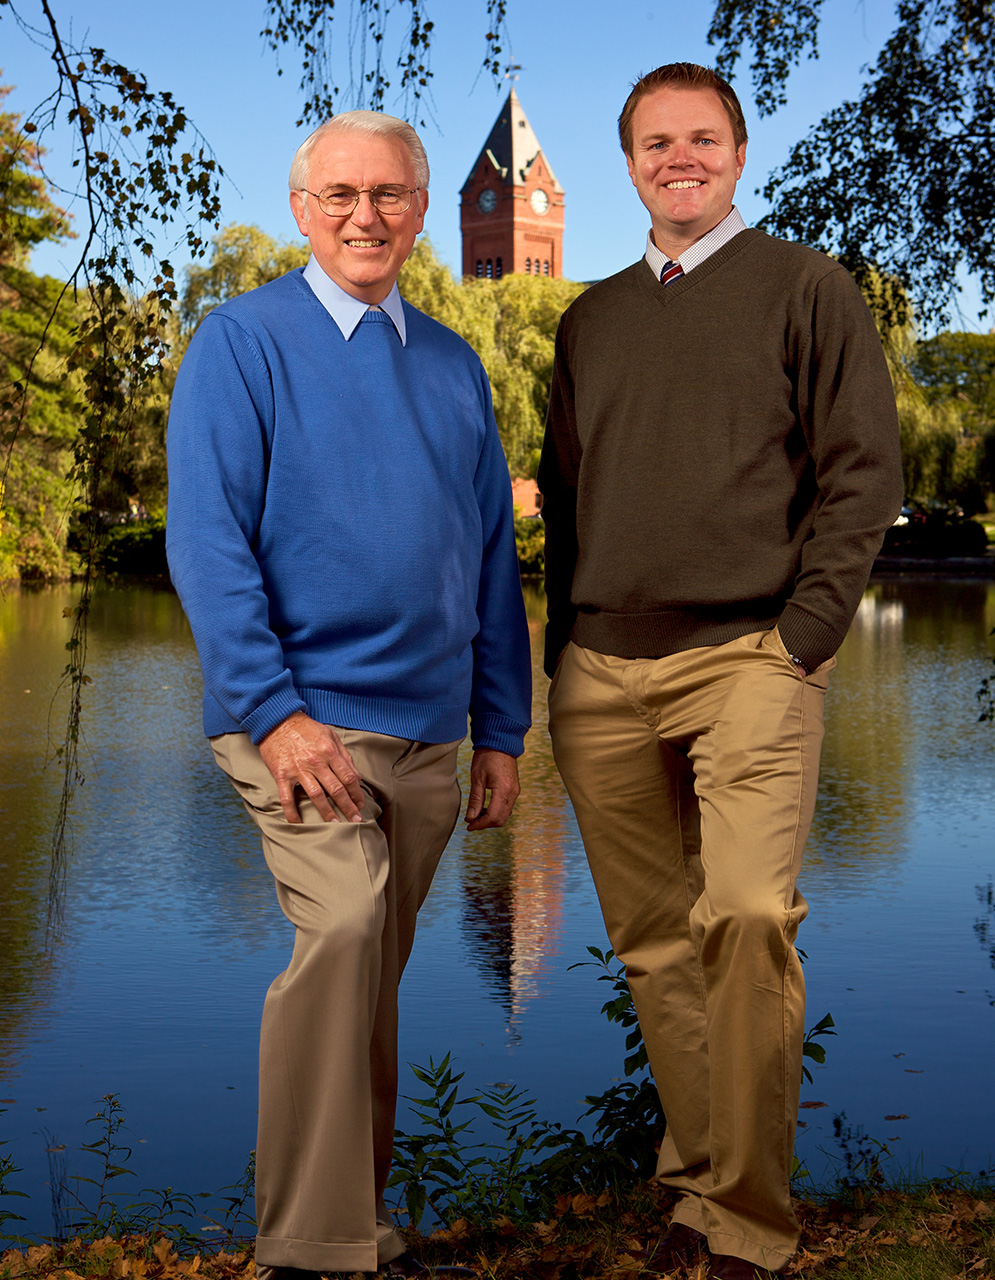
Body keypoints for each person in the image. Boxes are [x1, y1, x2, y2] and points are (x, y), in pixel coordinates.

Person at [538, 63, 903, 1280]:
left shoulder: (806, 287)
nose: (676, 158)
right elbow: (573, 498)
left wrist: (801, 637)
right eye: (653, 142)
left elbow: (862, 476)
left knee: (743, 916)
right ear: (628, 161)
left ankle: (749, 1218)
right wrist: (558, 660)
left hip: (751, 655)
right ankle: (695, 1190)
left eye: (700, 139)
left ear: (738, 155)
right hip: (600, 669)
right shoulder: (587, 317)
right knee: (651, 944)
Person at [166, 111, 531, 1279]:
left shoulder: (453, 363)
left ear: (421, 211)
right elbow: (208, 541)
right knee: (345, 930)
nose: (364, 215)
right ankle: (310, 1250)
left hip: (431, 729)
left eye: (387, 194)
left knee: (368, 972)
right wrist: (272, 713)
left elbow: (486, 558)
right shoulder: (241, 342)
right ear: (301, 210)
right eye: (339, 195)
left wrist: (501, 727)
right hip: (302, 719)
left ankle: (356, 1229)